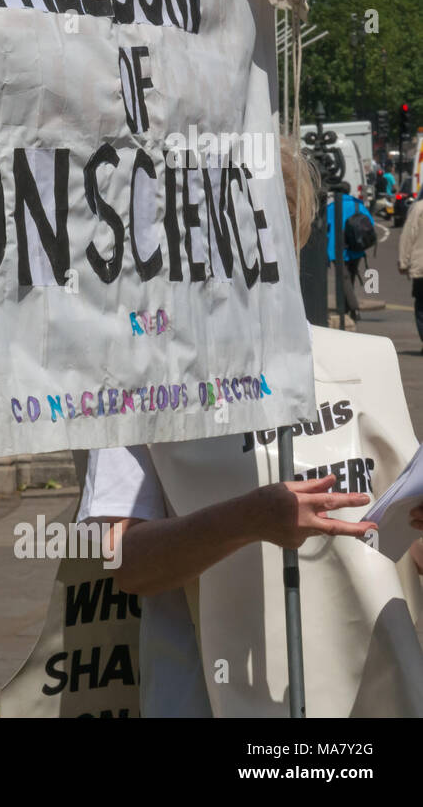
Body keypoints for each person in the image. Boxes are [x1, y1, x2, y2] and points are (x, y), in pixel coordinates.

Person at [80, 139, 423, 716]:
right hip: (212, 698)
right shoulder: (136, 384)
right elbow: (125, 563)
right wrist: (249, 519)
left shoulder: (364, 364)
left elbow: (401, 548)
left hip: (370, 694)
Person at [325, 189, 375, 320]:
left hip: (337, 248)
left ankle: (353, 308)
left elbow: (324, 227)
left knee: (343, 278)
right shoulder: (358, 205)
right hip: (356, 248)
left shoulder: (331, 207)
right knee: (350, 276)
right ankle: (346, 308)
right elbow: (371, 223)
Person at [398, 194, 423, 353]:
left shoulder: (419, 208)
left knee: (421, 305)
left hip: (422, 267)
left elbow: (408, 234)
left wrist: (403, 261)